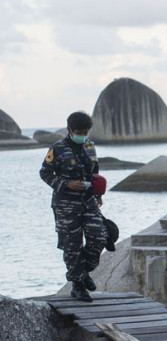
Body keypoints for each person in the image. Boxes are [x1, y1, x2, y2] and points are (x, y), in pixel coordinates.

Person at [40, 111, 107, 303]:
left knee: (99, 237)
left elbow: (94, 170)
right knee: (72, 246)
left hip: (88, 201)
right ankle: (77, 285)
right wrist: (66, 184)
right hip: (65, 204)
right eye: (79, 132)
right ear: (70, 130)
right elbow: (45, 173)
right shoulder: (57, 148)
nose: (82, 135)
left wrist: (98, 193)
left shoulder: (90, 146)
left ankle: (83, 272)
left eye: (86, 132)